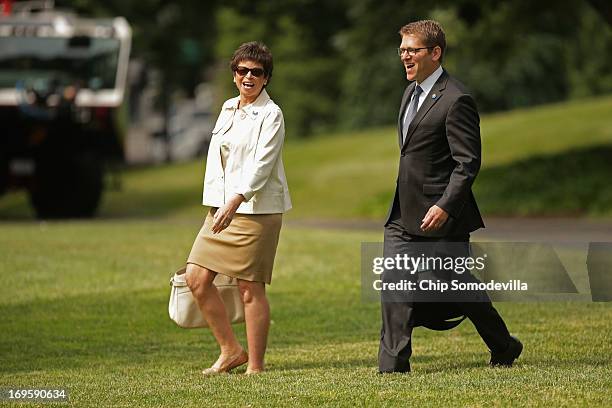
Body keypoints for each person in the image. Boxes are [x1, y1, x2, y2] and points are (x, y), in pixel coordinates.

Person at [378, 20, 522, 373]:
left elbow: (467, 162)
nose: (405, 57)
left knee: (457, 287)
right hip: (402, 213)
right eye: (402, 50)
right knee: (394, 281)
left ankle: (504, 345)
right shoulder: (409, 92)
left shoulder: (457, 99)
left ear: (436, 52)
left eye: (412, 50)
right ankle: (393, 368)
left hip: (442, 215)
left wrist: (444, 204)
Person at [184, 42, 291, 375]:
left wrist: (236, 199)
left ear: (266, 79)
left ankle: (255, 367)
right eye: (242, 70)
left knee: (249, 287)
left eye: (256, 72)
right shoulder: (229, 107)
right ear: (234, 75)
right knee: (196, 278)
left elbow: (262, 164)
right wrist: (221, 202)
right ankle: (230, 350)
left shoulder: (271, 114)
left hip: (255, 210)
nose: (248, 77)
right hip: (221, 208)